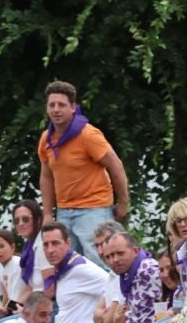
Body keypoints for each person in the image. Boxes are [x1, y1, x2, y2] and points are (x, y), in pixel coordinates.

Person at [36, 81, 131, 257]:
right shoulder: (47, 139)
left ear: (72, 107)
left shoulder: (88, 134)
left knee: (101, 264)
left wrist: (123, 202)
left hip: (94, 210)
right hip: (64, 212)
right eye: (52, 105)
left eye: (61, 105)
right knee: (71, 268)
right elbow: (47, 177)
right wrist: (48, 214)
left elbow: (115, 165)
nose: (56, 109)